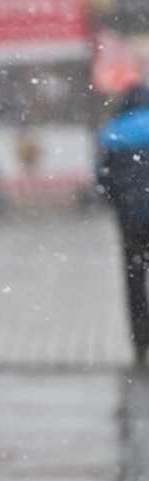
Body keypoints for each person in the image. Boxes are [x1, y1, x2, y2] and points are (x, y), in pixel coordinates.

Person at [98, 85, 149, 364]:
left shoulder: (114, 132)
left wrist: (119, 203)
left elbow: (102, 180)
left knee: (135, 280)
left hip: (130, 221)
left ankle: (141, 342)